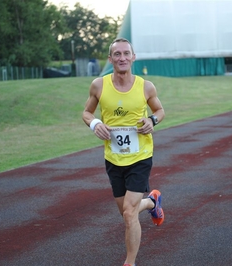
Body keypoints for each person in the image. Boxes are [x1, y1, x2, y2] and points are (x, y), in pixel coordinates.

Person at [82, 38, 165, 266]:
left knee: (129, 214)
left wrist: (152, 120)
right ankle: (152, 203)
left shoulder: (145, 86)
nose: (122, 58)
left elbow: (159, 110)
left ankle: (130, 262)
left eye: (126, 53)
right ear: (110, 59)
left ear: (133, 57)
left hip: (140, 157)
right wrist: (95, 124)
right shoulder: (99, 85)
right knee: (127, 213)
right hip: (113, 158)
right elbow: (86, 113)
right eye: (117, 54)